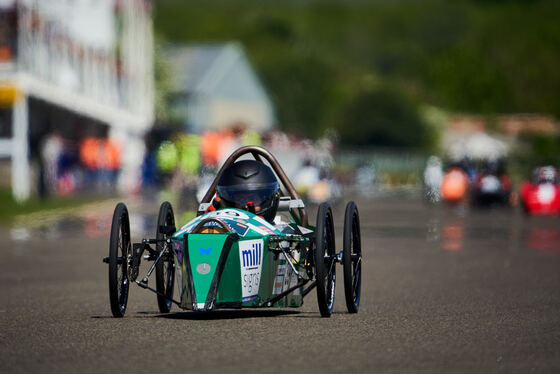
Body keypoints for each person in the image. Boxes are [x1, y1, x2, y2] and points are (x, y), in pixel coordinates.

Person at [215, 160, 280, 223]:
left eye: (253, 199)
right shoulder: (216, 228)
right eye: (240, 199)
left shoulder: (284, 231)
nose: (246, 206)